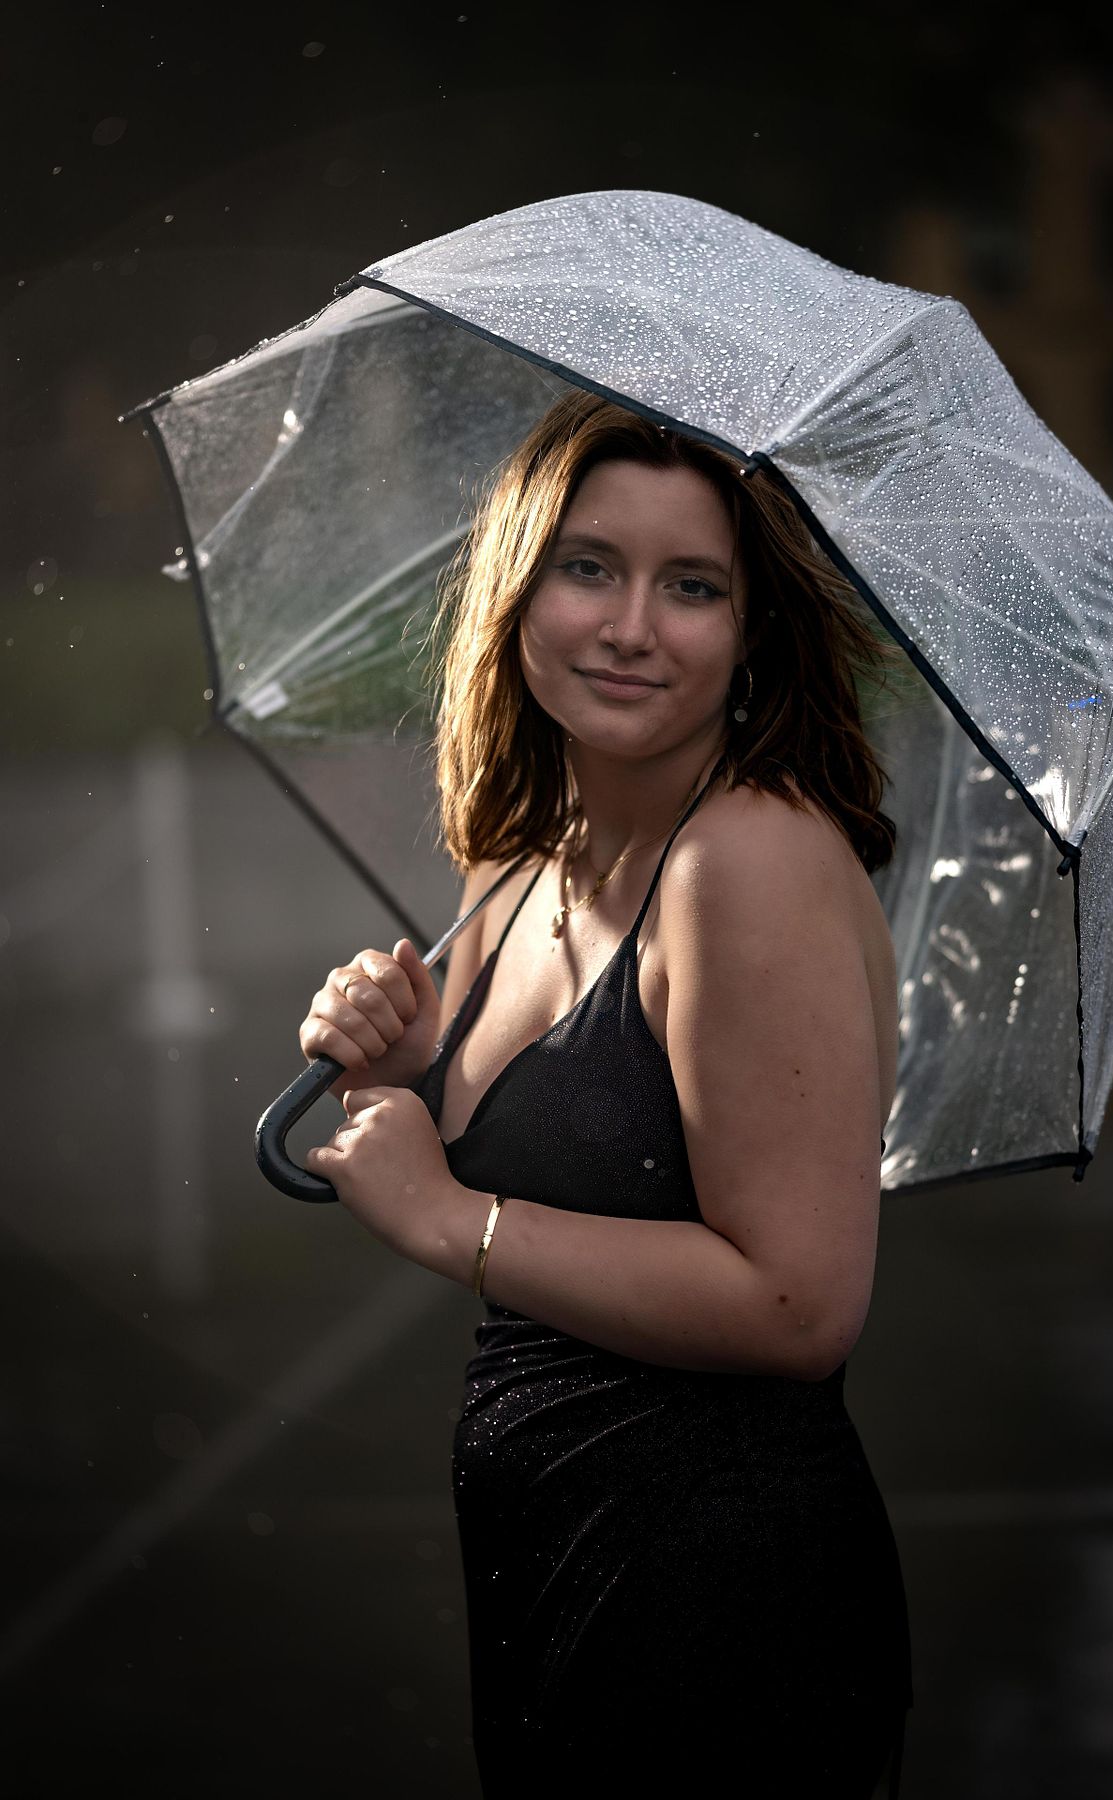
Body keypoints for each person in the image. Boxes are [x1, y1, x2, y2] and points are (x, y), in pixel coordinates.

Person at [300, 390, 913, 1797]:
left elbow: (799, 1305)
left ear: (752, 627)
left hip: (724, 1608)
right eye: (589, 567)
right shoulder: (522, 859)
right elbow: (584, 1153)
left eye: (691, 587)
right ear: (517, 587)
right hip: (551, 1565)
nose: (632, 625)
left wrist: (448, 1219)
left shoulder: (743, 863)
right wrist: (409, 1070)